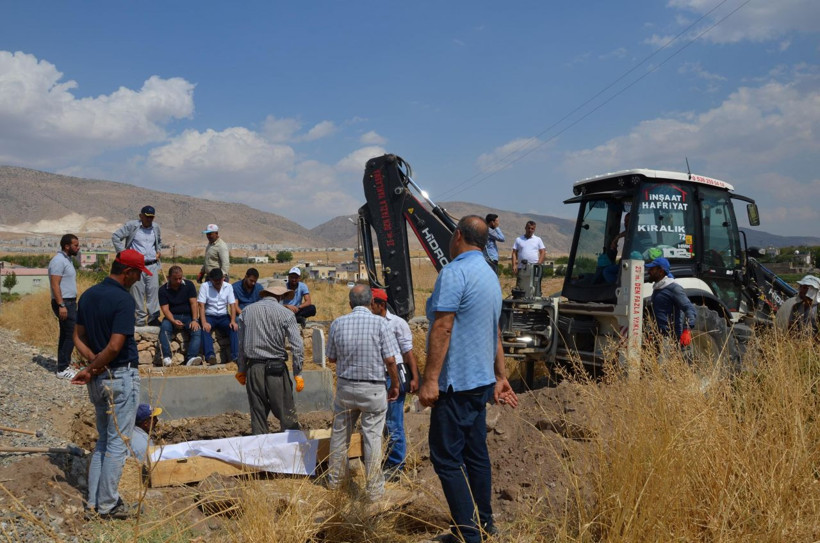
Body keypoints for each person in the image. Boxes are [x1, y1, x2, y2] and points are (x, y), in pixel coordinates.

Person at [419, 215, 518, 543]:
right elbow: (495, 331)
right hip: (480, 384)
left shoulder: (454, 271)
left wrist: (430, 380)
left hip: (455, 385)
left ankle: (467, 534)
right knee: (476, 455)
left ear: (457, 236)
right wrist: (501, 375)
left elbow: (443, 326)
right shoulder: (490, 276)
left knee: (445, 458)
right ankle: (486, 524)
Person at [70, 249, 152, 520]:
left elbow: (77, 337)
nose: (139, 279)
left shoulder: (89, 295)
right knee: (119, 442)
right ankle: (108, 505)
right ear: (127, 272)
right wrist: (96, 366)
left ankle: (94, 503)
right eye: (138, 273)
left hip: (98, 379)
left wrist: (92, 365)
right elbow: (116, 346)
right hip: (120, 377)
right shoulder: (123, 300)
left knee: (103, 441)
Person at [326, 285, 400, 503]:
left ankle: (335, 482)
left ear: (350, 304)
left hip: (346, 388)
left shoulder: (338, 323)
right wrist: (394, 384)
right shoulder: (380, 324)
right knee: (373, 438)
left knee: (340, 435)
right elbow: (390, 360)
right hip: (374, 388)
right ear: (371, 303)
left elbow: (331, 358)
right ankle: (375, 490)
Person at [236, 285, 305, 434]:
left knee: (258, 414)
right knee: (287, 414)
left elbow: (241, 345)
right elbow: (298, 346)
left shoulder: (246, 311)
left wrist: (241, 369)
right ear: (280, 297)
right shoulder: (286, 314)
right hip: (277, 370)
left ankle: (260, 451)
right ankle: (292, 450)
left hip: (254, 369)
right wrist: (298, 373)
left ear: (264, 294)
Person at [370, 288, 419, 480]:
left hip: (393, 376)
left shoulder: (398, 323)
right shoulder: (370, 323)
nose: (368, 307)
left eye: (371, 304)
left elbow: (408, 353)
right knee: (378, 423)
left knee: (393, 422)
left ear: (380, 305)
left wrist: (415, 378)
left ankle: (396, 466)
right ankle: (385, 460)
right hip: (375, 375)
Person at [111, 205, 162, 326]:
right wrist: (124, 253)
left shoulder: (156, 227)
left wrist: (158, 251)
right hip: (136, 266)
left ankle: (153, 317)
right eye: (147, 217)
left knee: (153, 290)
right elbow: (116, 236)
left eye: (152, 217)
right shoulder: (132, 226)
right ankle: (139, 319)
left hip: (152, 264)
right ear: (141, 216)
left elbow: (158, 240)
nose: (149, 219)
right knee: (137, 291)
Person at [48, 233, 80, 379]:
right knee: (71, 334)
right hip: (64, 302)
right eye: (75, 245)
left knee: (66, 334)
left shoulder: (67, 260)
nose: (78, 248)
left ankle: (64, 364)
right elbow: (55, 285)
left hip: (70, 302)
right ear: (67, 246)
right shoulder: (58, 261)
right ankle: (62, 369)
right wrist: (61, 305)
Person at [158, 265, 202, 367]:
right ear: (169, 278)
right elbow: (165, 309)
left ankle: (191, 358)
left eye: (180, 278)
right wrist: (173, 321)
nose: (178, 281)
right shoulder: (163, 290)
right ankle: (166, 357)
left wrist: (195, 320)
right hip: (171, 317)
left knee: (197, 330)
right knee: (164, 328)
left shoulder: (189, 285)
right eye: (175, 279)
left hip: (188, 316)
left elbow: (194, 304)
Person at [646, 257, 696, 346]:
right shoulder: (658, 288)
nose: (648, 271)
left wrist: (687, 330)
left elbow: (689, 308)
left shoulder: (674, 288)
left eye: (652, 269)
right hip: (660, 339)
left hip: (673, 340)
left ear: (661, 271)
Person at [197, 268, 239, 365]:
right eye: (215, 281)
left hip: (223, 316)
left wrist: (232, 321)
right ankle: (210, 356)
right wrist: (204, 322)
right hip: (209, 316)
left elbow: (232, 305)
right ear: (211, 280)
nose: (218, 283)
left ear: (223, 278)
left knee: (234, 329)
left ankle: (235, 356)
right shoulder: (205, 286)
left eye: (219, 280)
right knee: (205, 329)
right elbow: (201, 305)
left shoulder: (228, 287)